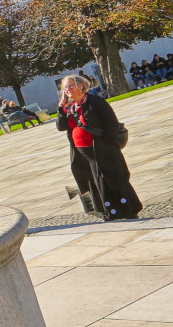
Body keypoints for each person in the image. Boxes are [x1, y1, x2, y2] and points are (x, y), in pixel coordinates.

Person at [57, 74, 142, 221]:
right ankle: (108, 213)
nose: (68, 89)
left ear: (82, 85)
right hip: (83, 155)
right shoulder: (70, 107)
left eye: (71, 85)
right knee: (95, 184)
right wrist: (61, 109)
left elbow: (112, 123)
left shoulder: (95, 102)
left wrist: (107, 143)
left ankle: (128, 211)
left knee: (112, 180)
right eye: (65, 87)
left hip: (102, 149)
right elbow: (61, 127)